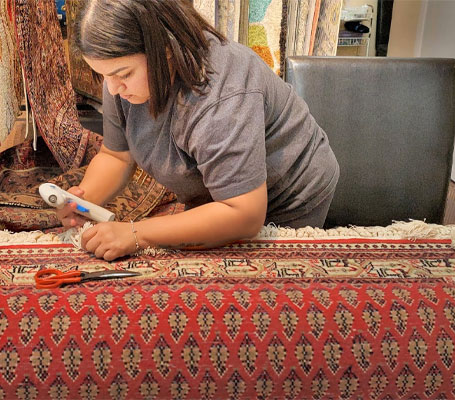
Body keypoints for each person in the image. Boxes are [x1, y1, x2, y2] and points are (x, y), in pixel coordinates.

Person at [60, 0, 339, 261]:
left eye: (123, 74)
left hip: (287, 194)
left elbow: (244, 214)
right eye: (104, 75)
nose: (112, 89)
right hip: (219, 195)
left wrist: (138, 233)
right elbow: (116, 156)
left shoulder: (221, 94)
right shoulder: (120, 78)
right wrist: (84, 200)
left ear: (165, 49)